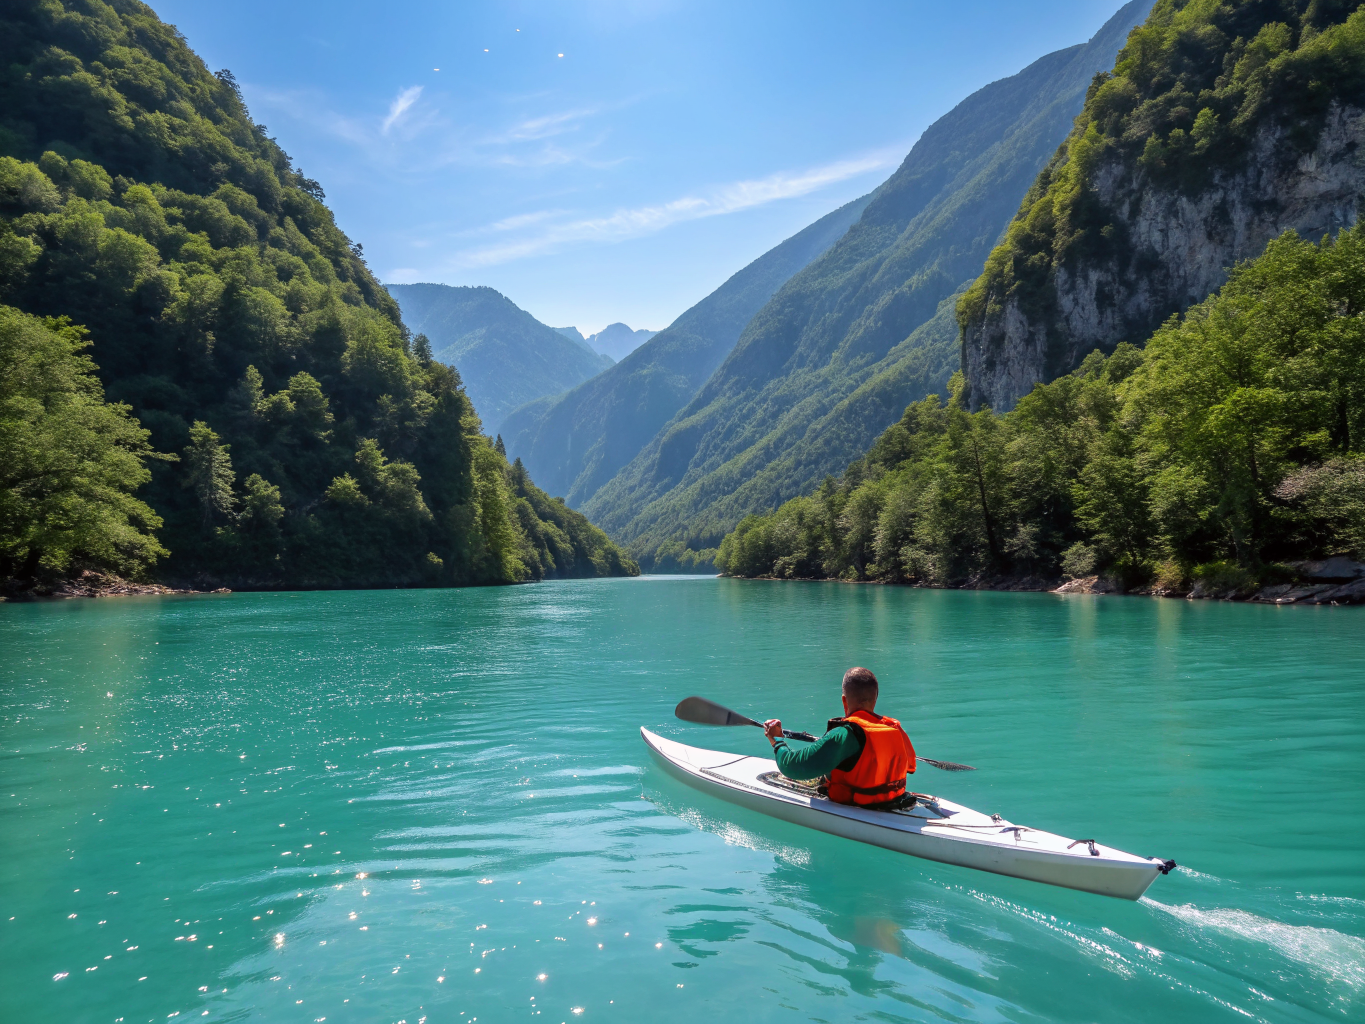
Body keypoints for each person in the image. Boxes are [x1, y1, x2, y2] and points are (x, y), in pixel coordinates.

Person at [763, 666, 916, 806]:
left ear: (844, 700)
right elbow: (909, 767)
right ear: (875, 699)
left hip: (858, 805)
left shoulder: (845, 734)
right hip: (894, 800)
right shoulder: (895, 729)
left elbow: (792, 766)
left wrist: (776, 740)